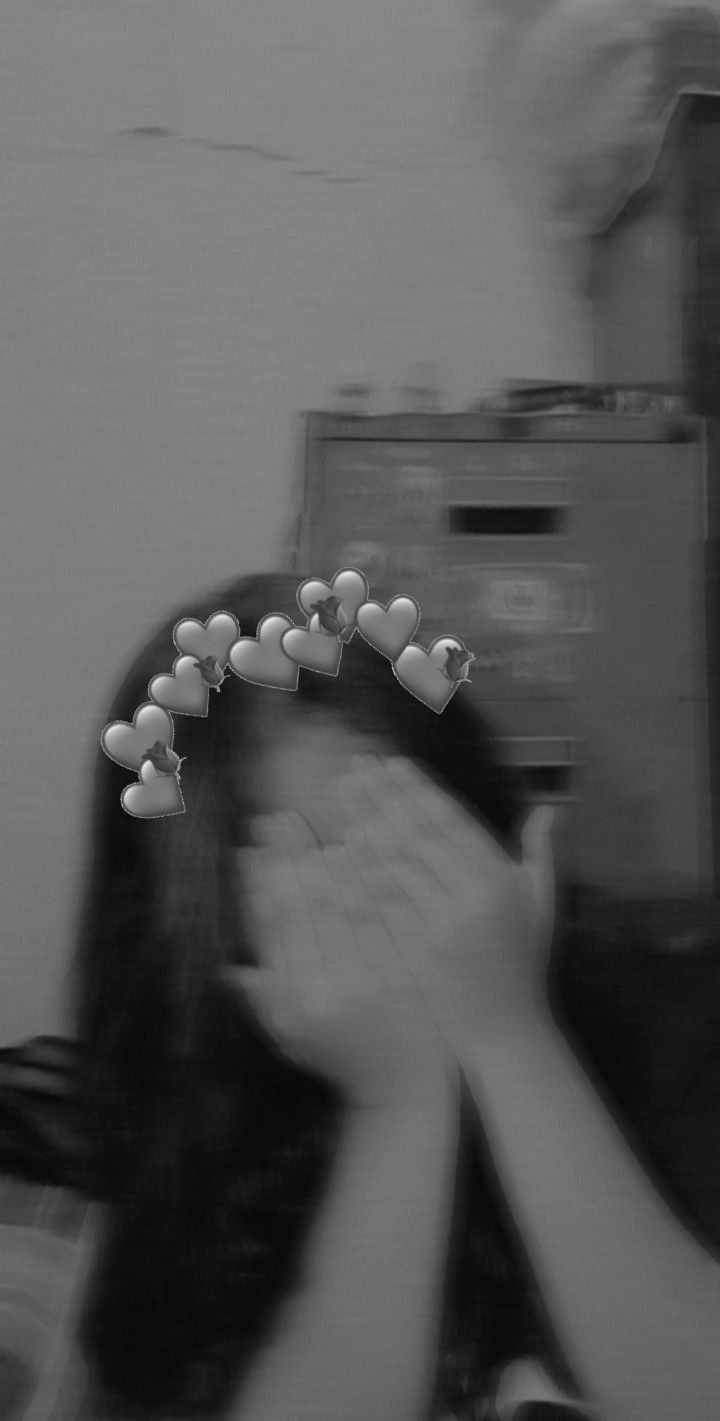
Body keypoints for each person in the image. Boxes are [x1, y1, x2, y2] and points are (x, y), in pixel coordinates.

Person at [69, 573, 720, 1421]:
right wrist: (400, 1100)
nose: (406, 937)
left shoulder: (675, 1030)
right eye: (323, 902)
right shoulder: (199, 1137)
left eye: (424, 861)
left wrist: (510, 1037)